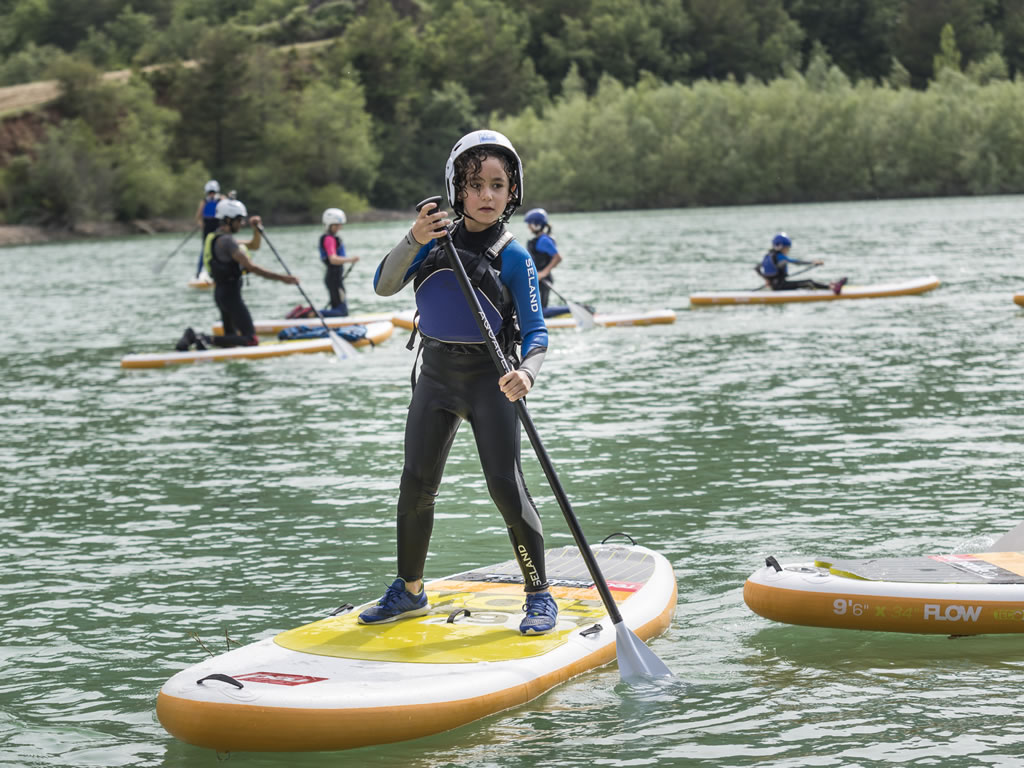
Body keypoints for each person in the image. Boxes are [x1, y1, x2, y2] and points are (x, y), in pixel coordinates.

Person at [365, 129, 558, 635]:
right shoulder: (431, 242)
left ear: (512, 190)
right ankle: (409, 591)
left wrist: (526, 373)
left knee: (505, 488)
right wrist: (414, 237)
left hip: (491, 380)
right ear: (457, 189)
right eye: (476, 185)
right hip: (435, 377)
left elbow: (537, 333)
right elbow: (384, 285)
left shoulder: (514, 256)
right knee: (416, 486)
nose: (488, 195)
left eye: (499, 184)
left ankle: (538, 593)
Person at [176, 198, 298, 351]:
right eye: (239, 220)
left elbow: (254, 245)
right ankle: (202, 338)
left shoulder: (217, 238)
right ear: (228, 220)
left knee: (231, 341)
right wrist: (283, 278)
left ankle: (194, 336)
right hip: (231, 296)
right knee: (251, 340)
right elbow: (251, 267)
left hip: (221, 294)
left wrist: (256, 229)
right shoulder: (228, 242)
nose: (242, 223)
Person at [758, 233, 847, 294]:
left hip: (775, 286)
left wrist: (767, 280)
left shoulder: (768, 256)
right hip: (781, 287)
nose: (788, 250)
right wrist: (813, 262)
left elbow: (757, 268)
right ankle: (832, 288)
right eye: (787, 248)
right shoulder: (780, 257)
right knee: (809, 282)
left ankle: (829, 286)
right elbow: (796, 262)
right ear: (781, 247)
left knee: (808, 282)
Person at [320, 208, 360, 315]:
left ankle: (322, 318)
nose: (340, 227)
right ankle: (313, 314)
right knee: (342, 311)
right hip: (333, 278)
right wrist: (351, 259)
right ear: (330, 224)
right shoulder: (329, 239)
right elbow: (332, 259)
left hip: (335, 277)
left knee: (338, 307)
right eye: (337, 225)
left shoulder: (332, 238)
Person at [524, 207, 562, 308]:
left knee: (541, 309)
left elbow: (557, 258)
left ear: (536, 224)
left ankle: (566, 311)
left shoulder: (544, 240)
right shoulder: (537, 240)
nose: (528, 227)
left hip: (544, 281)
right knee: (536, 307)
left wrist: (543, 273)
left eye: (529, 224)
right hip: (537, 279)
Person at [193, 180, 224, 278]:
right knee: (205, 250)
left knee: (219, 249)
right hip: (207, 228)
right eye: (210, 192)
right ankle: (198, 273)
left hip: (218, 227)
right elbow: (198, 216)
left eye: (213, 192)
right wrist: (200, 224)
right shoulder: (204, 201)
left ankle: (218, 272)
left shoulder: (221, 200)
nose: (212, 194)